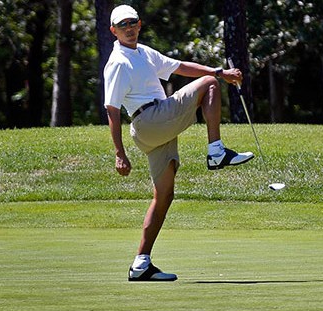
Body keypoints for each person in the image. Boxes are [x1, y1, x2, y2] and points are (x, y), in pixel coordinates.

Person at [104, 4, 254, 281]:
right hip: (149, 121)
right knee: (208, 85)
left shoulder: (144, 53)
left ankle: (140, 264)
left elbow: (179, 67)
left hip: (157, 126)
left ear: (139, 24)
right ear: (113, 31)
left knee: (164, 196)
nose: (128, 28)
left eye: (132, 22)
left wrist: (220, 71)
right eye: (122, 25)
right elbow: (112, 110)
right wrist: (119, 153)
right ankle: (216, 152)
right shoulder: (118, 62)